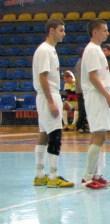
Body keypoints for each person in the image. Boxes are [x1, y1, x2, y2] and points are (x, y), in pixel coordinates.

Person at [33, 18, 75, 188]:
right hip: (46, 95)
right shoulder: (45, 50)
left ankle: (39, 175)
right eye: (61, 30)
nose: (64, 33)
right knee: (55, 135)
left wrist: (59, 99)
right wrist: (52, 102)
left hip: (48, 95)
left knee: (44, 134)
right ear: (51, 30)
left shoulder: (50, 50)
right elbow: (43, 77)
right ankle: (53, 176)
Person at [81, 19, 110, 190]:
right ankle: (88, 177)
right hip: (96, 96)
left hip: (99, 96)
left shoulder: (96, 50)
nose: (107, 33)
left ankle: (95, 174)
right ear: (95, 32)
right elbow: (93, 77)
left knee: (98, 135)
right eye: (104, 30)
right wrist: (107, 96)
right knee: (99, 136)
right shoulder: (92, 50)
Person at [74, 49, 89, 133]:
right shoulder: (80, 63)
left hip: (82, 90)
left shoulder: (82, 62)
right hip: (81, 90)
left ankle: (82, 125)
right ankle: (79, 125)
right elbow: (79, 78)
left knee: (84, 108)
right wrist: (84, 91)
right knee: (82, 108)